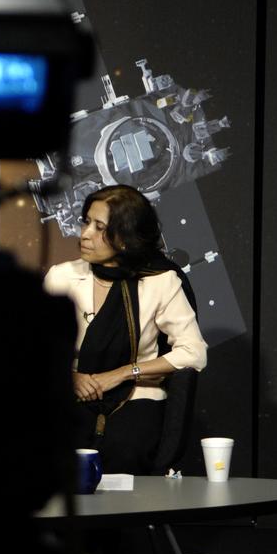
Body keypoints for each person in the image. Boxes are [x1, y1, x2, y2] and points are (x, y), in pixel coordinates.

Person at [43, 184, 208, 475]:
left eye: (99, 227)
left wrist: (122, 373)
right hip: (70, 395)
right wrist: (71, 376)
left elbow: (193, 352)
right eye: (86, 222)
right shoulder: (62, 276)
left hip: (137, 395)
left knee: (125, 450)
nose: (84, 234)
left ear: (124, 238)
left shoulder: (160, 281)